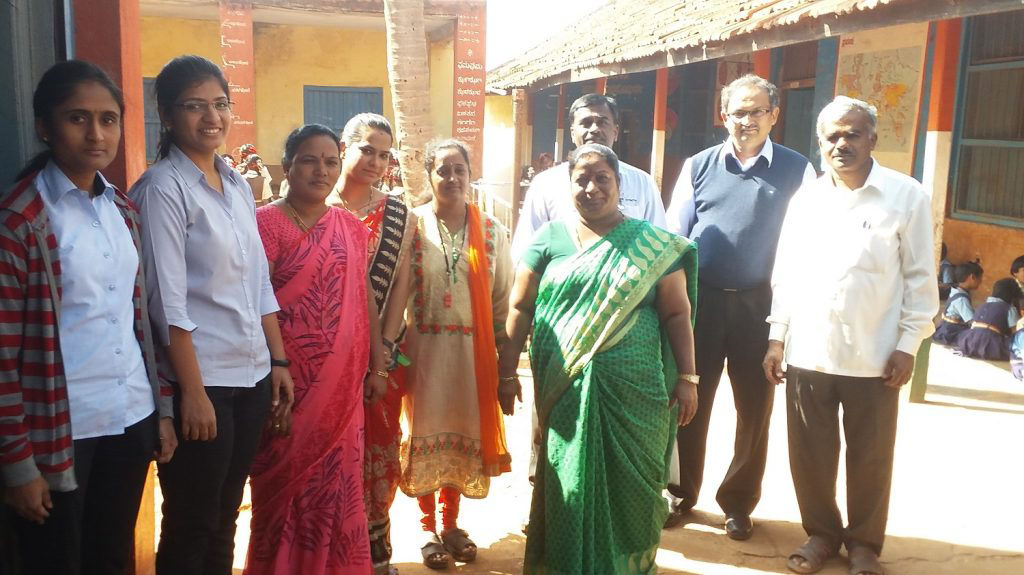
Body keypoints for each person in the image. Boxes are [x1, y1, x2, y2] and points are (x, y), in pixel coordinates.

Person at [0, 59, 177, 575]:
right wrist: (16, 465)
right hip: (58, 430)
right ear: (44, 127)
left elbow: (138, 322)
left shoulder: (122, 210)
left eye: (108, 118)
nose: (96, 132)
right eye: (78, 118)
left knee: (112, 556)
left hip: (128, 418)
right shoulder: (21, 222)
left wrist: (160, 410)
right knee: (54, 562)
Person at [129, 54, 295, 575]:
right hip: (202, 383)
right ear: (168, 115)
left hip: (251, 376)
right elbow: (167, 305)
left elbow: (259, 282)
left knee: (226, 516)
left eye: (220, 104)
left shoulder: (238, 183)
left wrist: (279, 361)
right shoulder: (162, 190)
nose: (211, 118)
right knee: (191, 520)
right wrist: (193, 393)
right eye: (194, 106)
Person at [499, 143, 698, 574]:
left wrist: (688, 376)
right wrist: (505, 372)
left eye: (602, 178)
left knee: (635, 487)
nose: (591, 187)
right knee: (567, 478)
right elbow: (520, 306)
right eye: (581, 179)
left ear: (619, 185)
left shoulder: (653, 244)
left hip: (637, 392)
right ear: (568, 185)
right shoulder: (550, 237)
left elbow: (678, 311)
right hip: (565, 388)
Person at [763, 96, 938, 575]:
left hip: (876, 356)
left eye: (852, 134)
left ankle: (863, 545)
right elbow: (787, 273)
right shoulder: (808, 198)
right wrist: (778, 337)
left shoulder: (907, 197)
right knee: (810, 457)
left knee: (871, 458)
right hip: (809, 352)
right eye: (832, 137)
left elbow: (922, 280)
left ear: (872, 139)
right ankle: (821, 534)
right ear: (820, 144)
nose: (841, 144)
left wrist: (908, 345)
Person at [664, 74, 816, 538]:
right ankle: (680, 493)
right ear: (722, 115)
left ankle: (737, 502)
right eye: (737, 111)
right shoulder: (698, 166)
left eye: (756, 111)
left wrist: (785, 328)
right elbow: (674, 239)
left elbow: (807, 246)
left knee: (755, 411)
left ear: (774, 114)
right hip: (701, 304)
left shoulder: (798, 170)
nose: (745, 120)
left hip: (761, 310)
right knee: (689, 403)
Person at [243, 124, 388, 575]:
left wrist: (377, 364)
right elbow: (254, 301)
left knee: (338, 487)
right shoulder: (264, 224)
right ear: (287, 167)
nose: (321, 170)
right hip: (285, 382)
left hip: (342, 387)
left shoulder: (349, 225)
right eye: (309, 160)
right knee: (282, 488)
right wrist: (275, 363)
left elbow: (363, 295)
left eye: (329, 161)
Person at [401, 139, 513, 570]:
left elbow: (503, 301)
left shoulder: (491, 230)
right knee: (423, 438)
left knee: (462, 439)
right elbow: (397, 297)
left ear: (470, 174)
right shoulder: (412, 227)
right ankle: (427, 528)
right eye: (442, 170)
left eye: (459, 170)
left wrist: (506, 368)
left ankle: (451, 525)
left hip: (472, 357)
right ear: (429, 175)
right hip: (423, 357)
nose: (451, 178)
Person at [327, 113, 417, 575]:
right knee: (327, 457)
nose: (376, 162)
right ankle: (328, 554)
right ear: (344, 147)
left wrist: (380, 356)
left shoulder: (399, 213)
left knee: (380, 452)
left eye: (384, 154)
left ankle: (375, 556)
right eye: (367, 149)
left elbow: (400, 283)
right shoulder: (316, 202)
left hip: (379, 357)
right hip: (322, 358)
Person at [510, 93, 667, 261]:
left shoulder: (642, 183)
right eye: (585, 123)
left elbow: (659, 245)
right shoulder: (545, 184)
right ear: (572, 133)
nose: (594, 129)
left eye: (602, 122)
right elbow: (525, 250)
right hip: (564, 283)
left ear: (615, 132)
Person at [954, 278, 1022, 361]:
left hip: (970, 342)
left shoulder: (983, 305)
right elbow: (1016, 332)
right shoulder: (1009, 309)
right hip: (991, 344)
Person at [932, 262, 982, 345]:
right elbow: (972, 321)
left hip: (946, 328)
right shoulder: (962, 299)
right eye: (980, 278)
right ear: (972, 277)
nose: (981, 281)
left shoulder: (956, 290)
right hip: (951, 333)